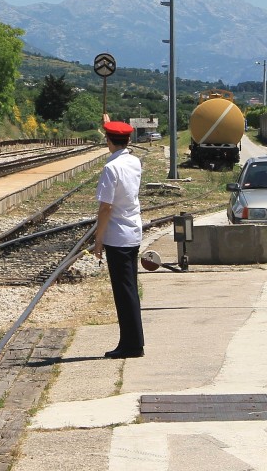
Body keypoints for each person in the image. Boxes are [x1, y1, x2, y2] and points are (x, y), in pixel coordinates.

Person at [93, 120, 145, 359]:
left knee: (124, 293)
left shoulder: (111, 168)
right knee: (129, 289)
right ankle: (131, 341)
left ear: (108, 141)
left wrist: (98, 238)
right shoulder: (134, 162)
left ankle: (132, 345)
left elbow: (106, 207)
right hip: (133, 232)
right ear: (129, 141)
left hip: (117, 236)